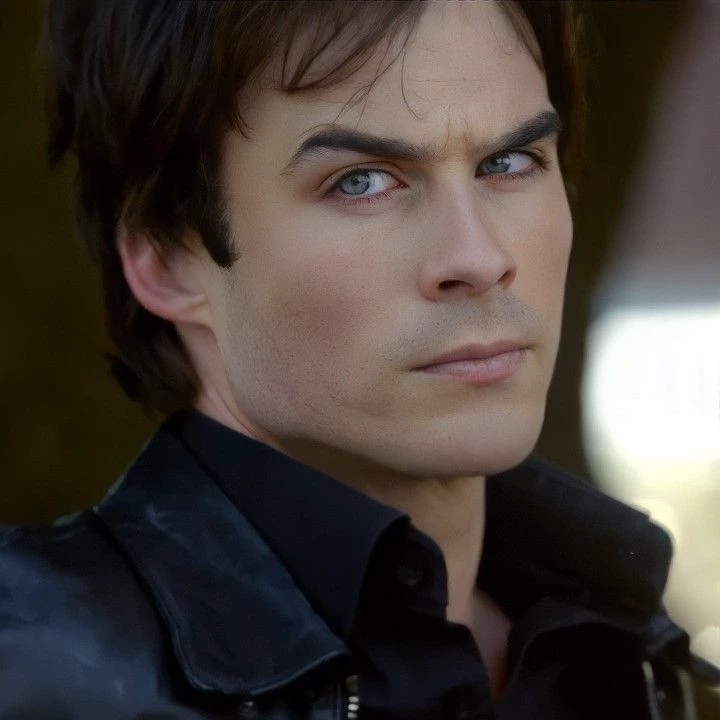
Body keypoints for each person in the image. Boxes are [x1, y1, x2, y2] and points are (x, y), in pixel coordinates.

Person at [0, 1, 716, 718]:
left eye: (509, 162)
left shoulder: (630, 658)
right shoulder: (28, 664)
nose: (478, 257)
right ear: (166, 258)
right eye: (362, 181)